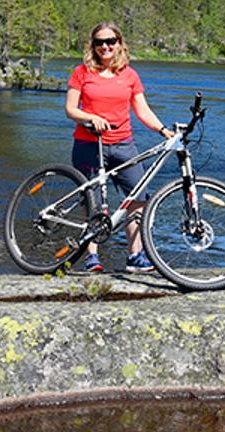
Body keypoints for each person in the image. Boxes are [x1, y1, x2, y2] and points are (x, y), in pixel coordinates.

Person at [65, 22, 176, 273]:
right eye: (99, 42)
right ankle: (91, 256)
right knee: (91, 203)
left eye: (110, 41)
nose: (105, 46)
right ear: (92, 46)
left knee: (138, 199)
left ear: (119, 44)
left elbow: (142, 110)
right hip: (89, 144)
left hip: (124, 145)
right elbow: (71, 109)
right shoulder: (81, 73)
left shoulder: (129, 75)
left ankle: (135, 255)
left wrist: (162, 130)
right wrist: (90, 118)